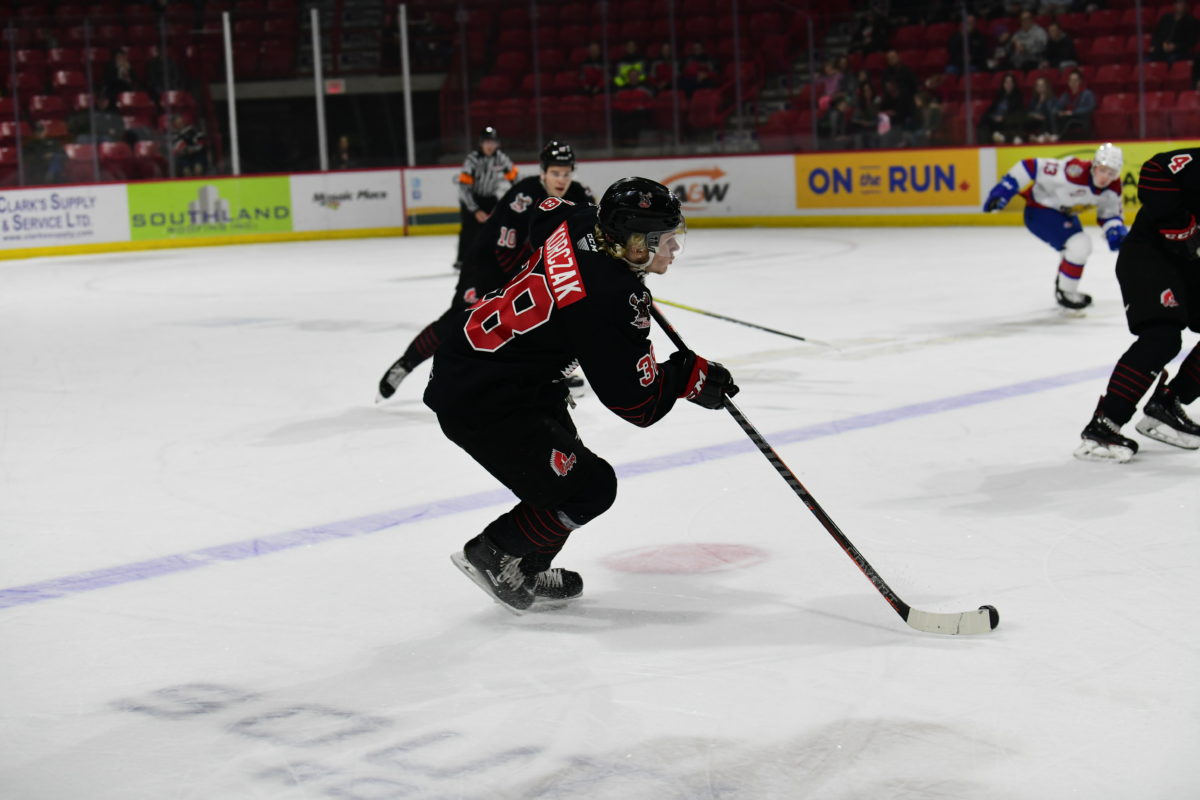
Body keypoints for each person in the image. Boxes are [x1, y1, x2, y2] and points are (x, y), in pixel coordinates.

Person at [423, 177, 739, 612]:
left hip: (487, 368)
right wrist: (690, 377)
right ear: (629, 239)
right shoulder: (610, 298)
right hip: (483, 398)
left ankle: (525, 567)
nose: (673, 249)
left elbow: (546, 213)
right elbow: (636, 403)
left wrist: (608, 273)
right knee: (590, 488)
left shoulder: (580, 221)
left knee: (567, 476)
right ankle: (493, 552)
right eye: (662, 240)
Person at [377, 141, 595, 400]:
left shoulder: (579, 196)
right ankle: (404, 365)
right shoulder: (523, 196)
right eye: (555, 173)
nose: (561, 180)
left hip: (526, 271)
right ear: (543, 172)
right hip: (485, 266)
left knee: (550, 314)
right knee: (460, 320)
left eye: (566, 173)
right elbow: (504, 253)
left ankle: (553, 371)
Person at [1074, 147, 1200, 462]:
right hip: (1149, 256)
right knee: (1163, 337)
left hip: (1189, 265)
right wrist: (1179, 224)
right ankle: (1104, 426)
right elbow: (1156, 168)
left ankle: (1167, 405)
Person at [983, 142, 1127, 310]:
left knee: (1075, 249)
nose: (1105, 177)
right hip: (1039, 210)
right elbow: (1030, 166)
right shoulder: (1073, 171)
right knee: (1080, 245)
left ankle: (1064, 288)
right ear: (1094, 166)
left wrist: (1115, 231)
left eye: (1111, 173)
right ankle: (1066, 292)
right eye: (1102, 170)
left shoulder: (1113, 187)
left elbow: (1109, 214)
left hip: (1064, 214)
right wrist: (1004, 189)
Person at [453, 126, 517, 272]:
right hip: (471, 198)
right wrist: (474, 210)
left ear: (497, 143)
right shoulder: (472, 160)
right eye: (487, 142)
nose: (490, 145)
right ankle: (462, 260)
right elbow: (464, 188)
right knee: (469, 230)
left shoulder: (501, 158)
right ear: (481, 143)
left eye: (492, 142)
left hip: (490, 198)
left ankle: (493, 257)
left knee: (496, 228)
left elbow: (515, 179)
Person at [980, 72, 1024, 144]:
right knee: (984, 119)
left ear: (1013, 84)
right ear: (1003, 84)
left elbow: (1017, 112)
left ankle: (1001, 136)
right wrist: (990, 116)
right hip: (995, 119)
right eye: (1006, 82)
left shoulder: (1017, 96)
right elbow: (992, 108)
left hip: (1006, 120)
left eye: (1010, 82)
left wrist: (1003, 118)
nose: (1008, 84)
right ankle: (983, 146)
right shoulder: (1000, 95)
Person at [1152, 0, 1199, 64]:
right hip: (1161, 49)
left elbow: (1191, 41)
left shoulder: (1192, 22)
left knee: (1171, 60)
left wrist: (1175, 46)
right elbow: (1156, 34)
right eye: (1178, 3)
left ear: (1187, 6)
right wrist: (1161, 45)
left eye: (1182, 3)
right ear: (1174, 5)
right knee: (1145, 63)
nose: (1180, 5)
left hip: (1179, 52)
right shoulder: (1165, 18)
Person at [1054, 69, 1095, 141]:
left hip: (1081, 118)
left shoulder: (1087, 94)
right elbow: (1057, 106)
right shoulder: (1066, 95)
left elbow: (1090, 107)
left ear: (1080, 81)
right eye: (1071, 80)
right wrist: (1059, 112)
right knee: (1054, 115)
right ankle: (1050, 136)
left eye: (1075, 80)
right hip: (1067, 117)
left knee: (1068, 121)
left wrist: (1073, 112)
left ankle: (1058, 138)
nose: (1073, 83)